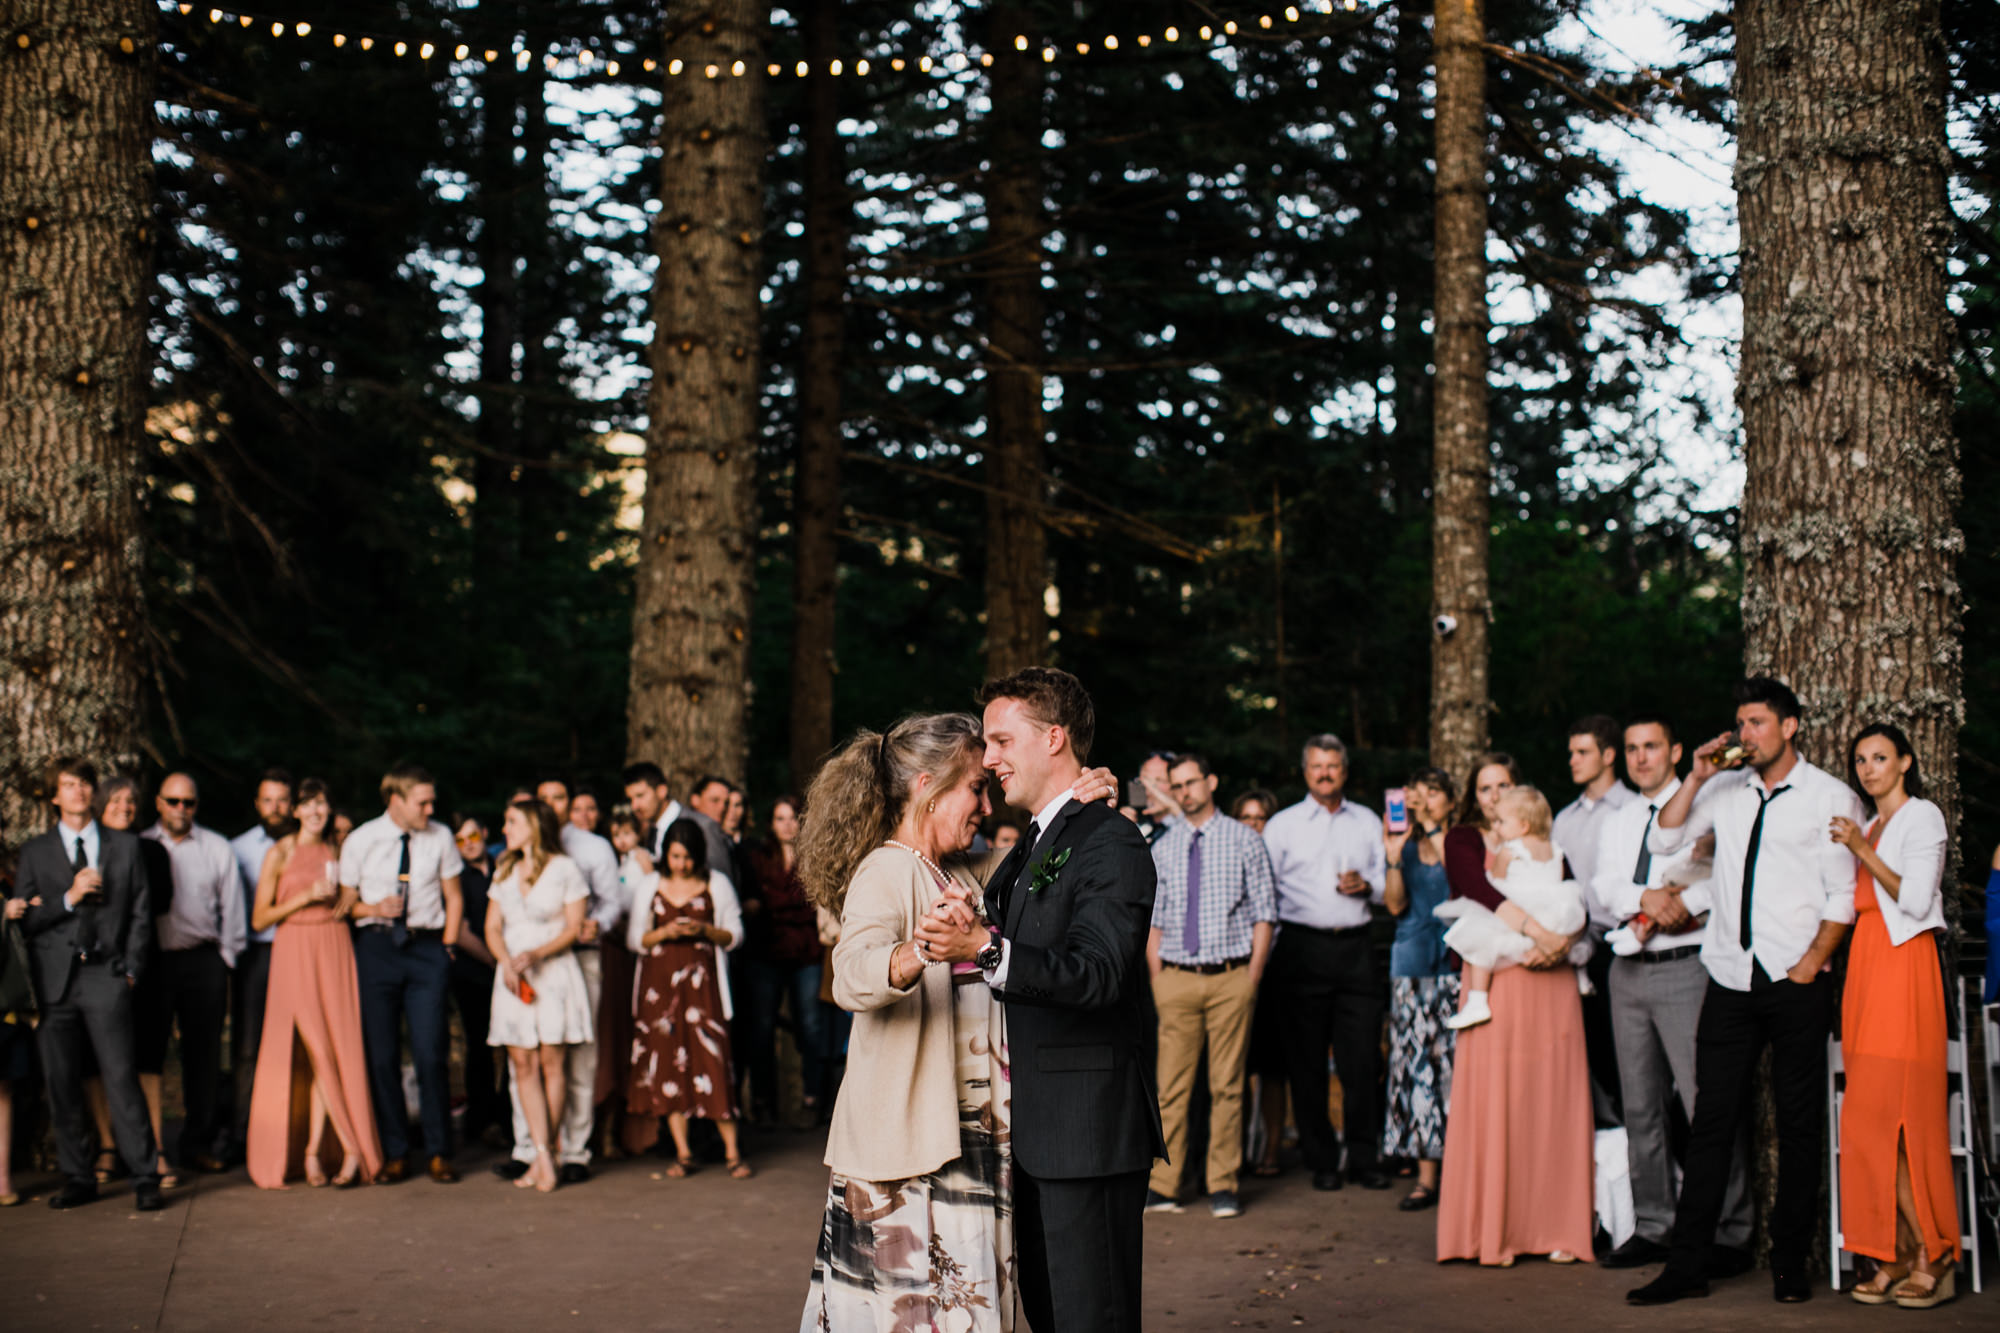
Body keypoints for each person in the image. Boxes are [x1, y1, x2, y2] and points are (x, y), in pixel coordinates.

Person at [916, 667, 1164, 1333]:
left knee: (1094, 1317)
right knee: (1054, 1315)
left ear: (1054, 737)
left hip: (1087, 1132)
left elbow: (1100, 972)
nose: (988, 757)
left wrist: (982, 946)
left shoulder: (1109, 838)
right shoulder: (1038, 840)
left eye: (1000, 740)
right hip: (1032, 1136)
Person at [1627, 676, 1865, 1305]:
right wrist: (1698, 776)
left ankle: (1790, 1264)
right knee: (1710, 1122)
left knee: (1798, 1124)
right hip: (1729, 977)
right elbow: (1663, 840)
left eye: (1756, 722)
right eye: (1740, 723)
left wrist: (1813, 963)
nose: (1744, 734)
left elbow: (1843, 896)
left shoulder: (1829, 797)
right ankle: (1687, 1266)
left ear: (1789, 727)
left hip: (1796, 978)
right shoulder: (1724, 789)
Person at [1590, 715, 1753, 1274]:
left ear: (1675, 751)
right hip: (1627, 971)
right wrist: (1650, 897)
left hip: (1688, 967)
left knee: (1702, 1099)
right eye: (1632, 749)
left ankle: (1731, 1232)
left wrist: (1689, 901)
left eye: (1651, 747)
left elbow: (1725, 872)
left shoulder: (1709, 803)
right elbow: (1605, 887)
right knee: (1640, 1106)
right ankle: (1654, 1227)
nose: (1640, 758)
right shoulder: (1616, 821)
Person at [1435, 752, 1595, 1267]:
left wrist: (1560, 944)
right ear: (1473, 795)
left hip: (1551, 981)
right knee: (1496, 1101)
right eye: (1486, 788)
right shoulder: (1464, 839)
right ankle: (1493, 1231)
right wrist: (1543, 934)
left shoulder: (1550, 844)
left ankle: (1557, 1227)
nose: (1496, 796)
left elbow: (1574, 900)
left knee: (1551, 1100)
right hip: (1498, 981)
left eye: (1505, 785)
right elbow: (1481, 893)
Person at [1833, 723, 1957, 1307]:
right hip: (1865, 967)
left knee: (1907, 1121)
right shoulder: (1876, 825)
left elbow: (1913, 899)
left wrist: (1859, 849)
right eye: (1860, 760)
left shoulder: (1921, 817)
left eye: (1880, 757)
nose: (1868, 768)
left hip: (1906, 966)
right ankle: (1894, 1249)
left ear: (1904, 761)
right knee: (1867, 1122)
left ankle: (1936, 1252)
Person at [10, 757, 164, 1211]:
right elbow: (27, 920)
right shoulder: (36, 852)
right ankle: (78, 1176)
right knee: (61, 1082)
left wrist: (131, 968)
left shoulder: (123, 846)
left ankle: (144, 1176)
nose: (78, 791)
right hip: (53, 979)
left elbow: (140, 910)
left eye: (84, 784)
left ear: (93, 793)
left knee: (121, 1077)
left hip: (106, 975)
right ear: (54, 796)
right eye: (68, 785)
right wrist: (67, 898)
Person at [1142, 753, 1277, 1220]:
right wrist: (1160, 979)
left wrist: (1251, 978)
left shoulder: (1245, 840)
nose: (1184, 792)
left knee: (1228, 1086)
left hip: (1229, 978)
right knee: (1171, 1089)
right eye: (1177, 786)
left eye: (1191, 782)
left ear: (1211, 782)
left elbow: (1265, 913)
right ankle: (1166, 1186)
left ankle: (1223, 1184)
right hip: (1177, 978)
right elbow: (1154, 921)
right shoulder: (1164, 846)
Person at [1259, 733, 1389, 1191]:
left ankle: (1366, 1159)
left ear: (1345, 771)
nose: (1325, 773)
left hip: (1355, 947)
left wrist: (1367, 887)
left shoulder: (1369, 821)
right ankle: (1323, 1163)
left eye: (1333, 766)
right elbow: (1265, 891)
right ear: (1305, 771)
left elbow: (1385, 877)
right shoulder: (1283, 826)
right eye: (1317, 766)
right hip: (1299, 949)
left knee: (1360, 1062)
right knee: (1306, 1064)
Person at [245, 779, 380, 1188]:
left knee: (337, 1047)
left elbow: (350, 902)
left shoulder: (338, 850)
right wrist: (303, 898)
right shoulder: (281, 851)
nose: (318, 812)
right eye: (310, 805)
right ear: (297, 811)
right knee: (313, 1046)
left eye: (323, 804)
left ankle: (321, 1152)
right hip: (294, 946)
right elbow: (260, 918)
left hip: (334, 943)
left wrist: (358, 904)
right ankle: (341, 1147)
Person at [340, 764, 465, 1184]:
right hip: (377, 948)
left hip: (427, 949)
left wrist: (447, 945)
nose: (430, 808)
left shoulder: (441, 836)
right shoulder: (361, 840)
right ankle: (395, 1151)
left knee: (431, 1052)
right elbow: (346, 904)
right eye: (422, 802)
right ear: (396, 800)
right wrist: (373, 909)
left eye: (432, 800)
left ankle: (439, 1150)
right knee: (382, 1055)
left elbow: (454, 896)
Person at [626, 819, 750, 1178]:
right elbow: (636, 939)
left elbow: (736, 935)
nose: (680, 864)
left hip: (703, 987)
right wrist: (662, 931)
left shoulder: (717, 884)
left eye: (687, 857)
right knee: (668, 1066)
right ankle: (683, 1152)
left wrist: (705, 930)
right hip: (659, 988)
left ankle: (732, 1152)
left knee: (712, 1060)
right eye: (675, 856)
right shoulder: (651, 885)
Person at [138, 772, 246, 1174]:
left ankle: (197, 1143)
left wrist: (227, 959)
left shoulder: (216, 847)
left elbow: (232, 905)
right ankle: (149, 1149)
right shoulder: (142, 846)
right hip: (156, 961)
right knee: (148, 1055)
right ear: (159, 803)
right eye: (173, 801)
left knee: (202, 1058)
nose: (181, 809)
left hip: (204, 961)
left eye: (189, 802)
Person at [484, 798, 593, 1194]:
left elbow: (573, 926)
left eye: (511, 821)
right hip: (514, 978)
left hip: (553, 974)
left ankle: (550, 1153)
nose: (504, 829)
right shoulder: (504, 870)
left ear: (533, 824)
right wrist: (508, 963)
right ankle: (541, 1157)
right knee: (521, 1064)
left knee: (551, 1064)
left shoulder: (565, 869)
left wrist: (537, 954)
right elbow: (492, 926)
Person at [518, 778, 621, 1185]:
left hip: (580, 958)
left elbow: (614, 901)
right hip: (532, 965)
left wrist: (598, 925)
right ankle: (528, 1148)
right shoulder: (519, 851)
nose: (551, 805)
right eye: (543, 798)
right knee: (525, 1056)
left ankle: (575, 1150)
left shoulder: (593, 848)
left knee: (579, 1055)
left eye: (559, 797)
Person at [1435, 786, 1587, 1031]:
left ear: (1523, 825)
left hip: (1518, 915)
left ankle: (1477, 1000)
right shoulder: (1556, 850)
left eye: (1502, 822)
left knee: (1479, 942)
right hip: (1553, 916)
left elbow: (1494, 885)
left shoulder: (1509, 851)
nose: (1496, 827)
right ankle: (1582, 976)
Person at [87, 776, 174, 1187]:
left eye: (130, 800)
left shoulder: (152, 852)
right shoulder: (85, 849)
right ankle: (108, 1146)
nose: (125, 806)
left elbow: (160, 901)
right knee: (94, 1061)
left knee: (146, 1059)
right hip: (92, 968)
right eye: (116, 799)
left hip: (145, 967)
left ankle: (154, 1147)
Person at [1380, 767, 1458, 1213]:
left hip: (1454, 960)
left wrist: (1431, 829)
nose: (1425, 800)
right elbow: (1394, 904)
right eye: (1419, 793)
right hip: (1410, 963)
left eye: (1434, 793)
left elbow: (1463, 881)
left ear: (1449, 800)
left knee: (1455, 1066)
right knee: (1417, 1067)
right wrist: (1393, 854)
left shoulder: (1461, 841)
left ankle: (1461, 1169)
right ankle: (1426, 1178)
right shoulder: (1403, 843)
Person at [1553, 715, 1633, 1127]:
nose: (1573, 761)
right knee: (1587, 1058)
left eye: (1582, 752)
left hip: (1622, 944)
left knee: (1627, 1060)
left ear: (1608, 755)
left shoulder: (1634, 810)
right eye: (1571, 753)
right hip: (1572, 948)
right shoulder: (1563, 820)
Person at [741, 795, 828, 1124]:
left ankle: (812, 1099)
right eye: (780, 818)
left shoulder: (814, 856)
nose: (787, 824)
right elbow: (760, 903)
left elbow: (813, 901)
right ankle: (764, 1101)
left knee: (810, 1026)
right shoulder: (758, 858)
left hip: (806, 951)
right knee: (762, 1027)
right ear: (771, 824)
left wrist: (773, 904)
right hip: (766, 950)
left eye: (792, 817)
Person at [447, 814, 506, 1151]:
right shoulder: (456, 877)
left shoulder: (503, 867)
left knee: (511, 1049)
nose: (467, 844)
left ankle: (508, 1117)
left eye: (472, 835)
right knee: (480, 1046)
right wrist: (495, 959)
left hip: (507, 967)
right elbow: (460, 930)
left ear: (485, 833)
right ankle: (482, 1121)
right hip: (473, 972)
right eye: (459, 840)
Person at [621, 762, 685, 861]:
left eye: (640, 795)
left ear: (661, 791)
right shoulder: (650, 830)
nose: (634, 806)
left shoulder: (701, 825)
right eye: (630, 799)